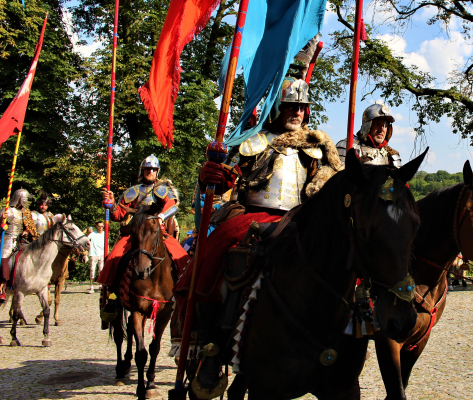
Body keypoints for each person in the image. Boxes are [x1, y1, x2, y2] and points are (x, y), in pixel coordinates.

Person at [192, 76, 342, 392]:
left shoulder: (315, 150)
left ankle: (350, 325)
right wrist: (214, 175)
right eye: (290, 105)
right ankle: (211, 346)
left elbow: (326, 191)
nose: (296, 112)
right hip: (253, 215)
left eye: (301, 106)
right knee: (214, 252)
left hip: (299, 219)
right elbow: (226, 180)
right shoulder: (254, 142)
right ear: (277, 107)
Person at [98, 155, 187, 307]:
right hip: (133, 234)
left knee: (182, 258)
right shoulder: (132, 191)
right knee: (113, 259)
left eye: (153, 169)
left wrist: (161, 216)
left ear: (157, 171)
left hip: (157, 233)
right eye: (147, 169)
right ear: (142, 170)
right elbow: (117, 215)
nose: (150, 171)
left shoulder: (163, 190)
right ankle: (112, 298)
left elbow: (172, 206)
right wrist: (112, 204)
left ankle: (183, 295)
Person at [0, 188, 32, 303]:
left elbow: (26, 227)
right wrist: (2, 221)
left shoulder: (23, 213)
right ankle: (1, 290)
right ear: (19, 199)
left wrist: (26, 232)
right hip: (7, 240)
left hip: (20, 240)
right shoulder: (8, 211)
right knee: (4, 262)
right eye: (25, 199)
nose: (26, 201)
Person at [337, 103, 401, 167]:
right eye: (377, 124)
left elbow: (398, 176)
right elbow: (338, 174)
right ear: (368, 126)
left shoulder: (391, 154)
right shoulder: (348, 146)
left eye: (385, 125)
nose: (382, 129)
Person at [86, 222, 106, 293]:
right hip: (93, 254)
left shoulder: (105, 234)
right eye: (99, 226)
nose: (100, 227)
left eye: (102, 226)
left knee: (101, 270)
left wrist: (107, 254)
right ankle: (91, 287)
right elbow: (86, 240)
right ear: (96, 226)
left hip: (102, 254)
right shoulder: (92, 234)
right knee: (92, 270)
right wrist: (88, 233)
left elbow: (107, 244)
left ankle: (100, 286)